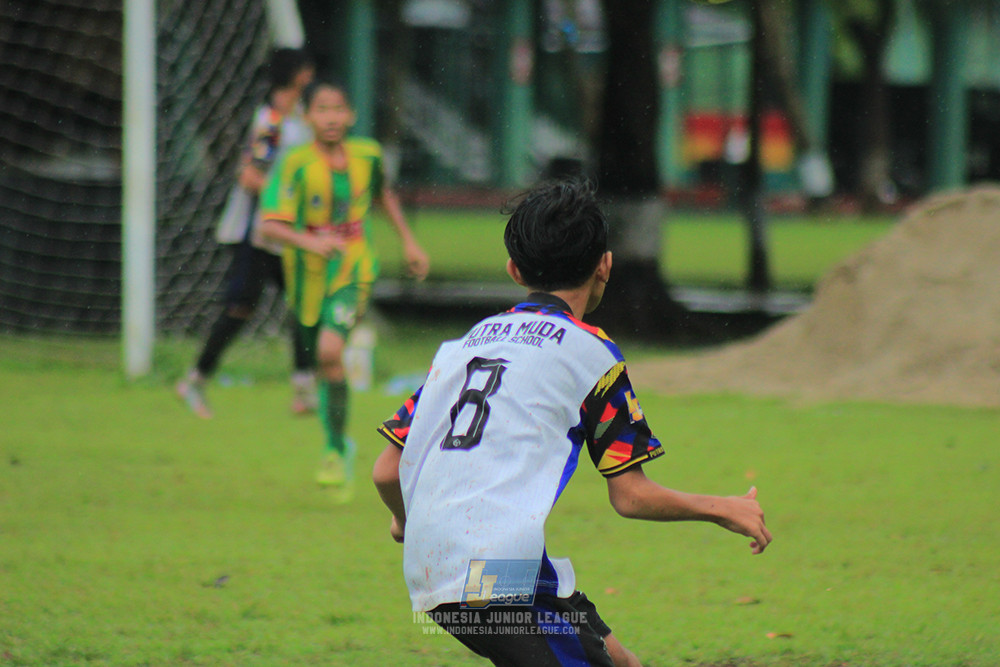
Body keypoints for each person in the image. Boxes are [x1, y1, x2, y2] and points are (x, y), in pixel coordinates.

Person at [372, 179, 771, 666]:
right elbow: (630, 495)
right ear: (605, 263)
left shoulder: (467, 345)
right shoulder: (591, 355)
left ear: (514, 270)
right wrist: (721, 508)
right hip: (494, 570)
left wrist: (406, 521)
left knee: (620, 663)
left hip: (445, 566)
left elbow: (387, 470)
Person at [260, 81, 430, 496]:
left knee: (329, 352)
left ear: (351, 115)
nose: (331, 117)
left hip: (354, 267)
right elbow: (268, 224)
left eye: (338, 108)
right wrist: (311, 241)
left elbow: (382, 194)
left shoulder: (368, 155)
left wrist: (408, 240)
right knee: (321, 362)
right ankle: (338, 441)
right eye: (322, 109)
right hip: (305, 275)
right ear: (308, 117)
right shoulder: (295, 163)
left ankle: (335, 450)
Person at [176, 48, 317, 419]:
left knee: (305, 307)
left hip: (291, 235)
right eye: (306, 67)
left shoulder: (303, 119)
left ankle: (304, 390)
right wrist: (283, 201)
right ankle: (195, 379)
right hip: (259, 234)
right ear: (296, 74)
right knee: (240, 308)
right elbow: (251, 175)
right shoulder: (271, 122)